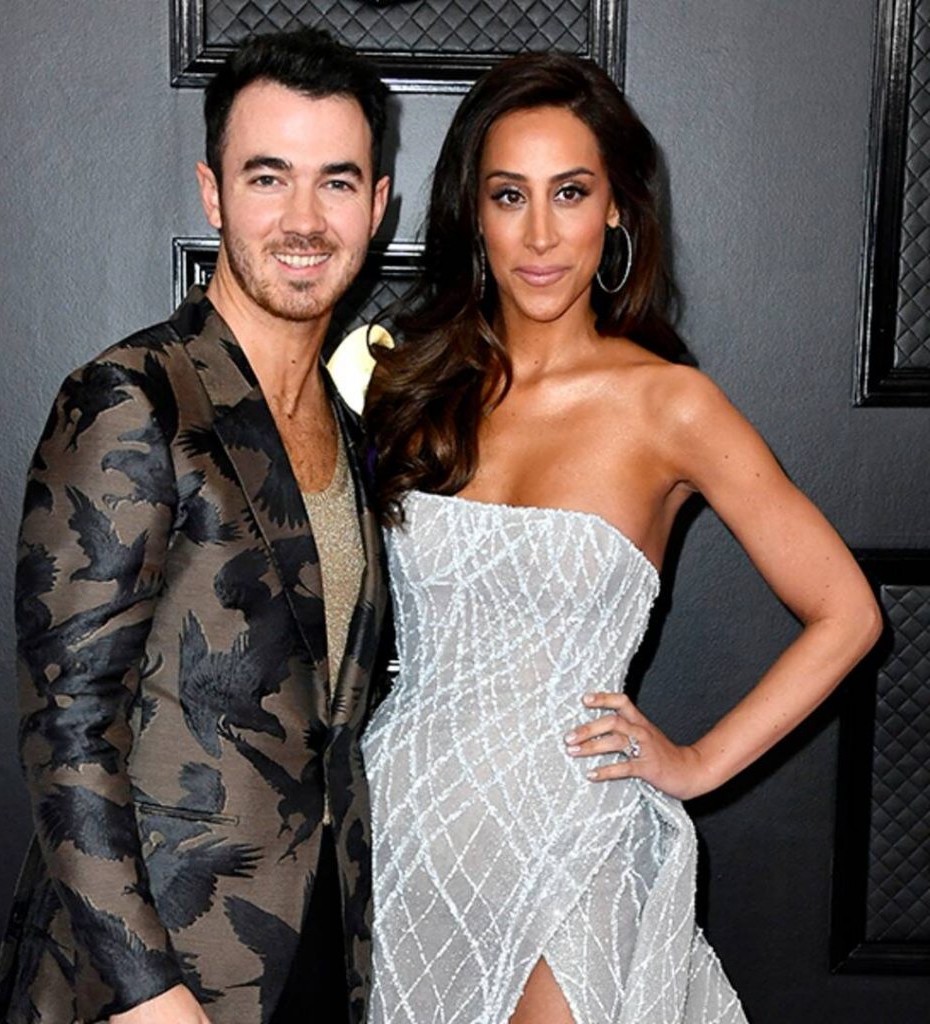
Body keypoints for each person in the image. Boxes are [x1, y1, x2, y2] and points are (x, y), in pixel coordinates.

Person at [361, 52, 881, 1024]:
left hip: (574, 832)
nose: (540, 233)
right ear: (474, 212)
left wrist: (697, 763)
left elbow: (847, 613)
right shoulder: (413, 386)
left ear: (614, 211)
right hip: (408, 827)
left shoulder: (670, 406)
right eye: (509, 195)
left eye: (570, 192)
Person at [0, 28, 392, 1024]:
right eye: (269, 177)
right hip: (152, 974)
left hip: (313, 952)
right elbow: (66, 728)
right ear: (213, 195)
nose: (304, 219)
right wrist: (146, 992)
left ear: (379, 206)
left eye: (337, 182)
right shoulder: (132, 395)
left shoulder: (351, 432)